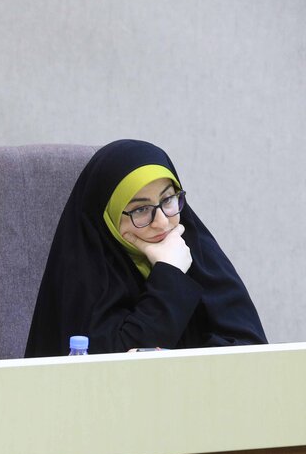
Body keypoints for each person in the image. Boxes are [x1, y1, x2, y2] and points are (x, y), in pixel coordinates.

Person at [25, 139, 266, 357]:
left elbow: (251, 350)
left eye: (168, 200)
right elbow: (111, 371)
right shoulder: (82, 280)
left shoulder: (199, 252)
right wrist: (170, 276)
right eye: (140, 209)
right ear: (107, 217)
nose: (161, 222)